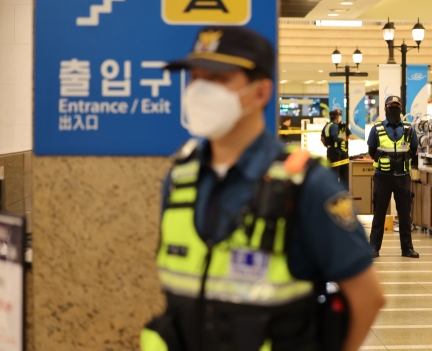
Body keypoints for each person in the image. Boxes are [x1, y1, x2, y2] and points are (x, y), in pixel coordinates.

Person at [140, 26, 384, 351]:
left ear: (260, 93)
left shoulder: (306, 184)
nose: (200, 91)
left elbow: (367, 297)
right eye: (196, 78)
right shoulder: (180, 180)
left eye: (219, 79)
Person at [367, 96, 419, 259]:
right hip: (382, 176)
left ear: (401, 108)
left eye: (396, 106)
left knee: (404, 214)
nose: (394, 109)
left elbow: (413, 149)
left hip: (403, 176)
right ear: (385, 109)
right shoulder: (377, 129)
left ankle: (407, 248)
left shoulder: (409, 129)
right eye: (391, 106)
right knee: (379, 213)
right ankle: (373, 248)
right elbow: (372, 150)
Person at [323, 109, 353, 185]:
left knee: (334, 173)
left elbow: (322, 138)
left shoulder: (329, 125)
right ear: (337, 117)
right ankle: (342, 192)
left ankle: (334, 191)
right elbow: (336, 138)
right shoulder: (334, 126)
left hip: (336, 152)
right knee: (341, 174)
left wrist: (328, 146)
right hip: (338, 153)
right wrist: (344, 138)